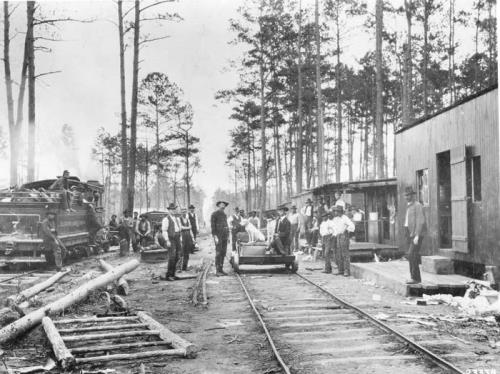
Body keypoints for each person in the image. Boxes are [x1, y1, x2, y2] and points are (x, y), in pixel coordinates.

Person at [404, 186, 426, 284]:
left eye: (409, 195)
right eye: (406, 195)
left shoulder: (417, 205)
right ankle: (413, 277)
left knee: (412, 254)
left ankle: (416, 278)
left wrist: (417, 235)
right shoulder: (409, 206)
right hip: (410, 233)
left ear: (413, 196)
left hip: (416, 234)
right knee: (411, 255)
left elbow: (420, 221)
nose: (407, 197)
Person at [331, 205, 355, 276]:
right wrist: (333, 234)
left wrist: (346, 230)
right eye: (335, 211)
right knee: (339, 254)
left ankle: (346, 270)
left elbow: (352, 226)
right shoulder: (336, 219)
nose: (336, 212)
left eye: (337, 211)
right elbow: (334, 228)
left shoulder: (345, 218)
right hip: (337, 236)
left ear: (341, 211)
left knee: (345, 254)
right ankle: (340, 270)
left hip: (344, 236)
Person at [161, 203, 182, 281]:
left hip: (177, 238)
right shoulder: (166, 219)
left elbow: (179, 229)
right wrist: (167, 240)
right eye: (172, 209)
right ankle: (169, 275)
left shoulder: (177, 219)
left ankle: (173, 274)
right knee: (172, 257)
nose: (173, 210)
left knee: (177, 256)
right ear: (169, 210)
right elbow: (164, 231)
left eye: (174, 209)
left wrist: (180, 238)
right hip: (171, 239)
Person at [211, 201, 230, 276]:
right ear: (218, 206)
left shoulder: (224, 215)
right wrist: (215, 236)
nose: (223, 206)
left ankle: (221, 269)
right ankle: (217, 270)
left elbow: (226, 225)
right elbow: (213, 226)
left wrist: (228, 236)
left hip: (224, 236)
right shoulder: (214, 214)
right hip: (218, 236)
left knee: (223, 252)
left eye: (224, 205)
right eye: (221, 205)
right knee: (218, 253)